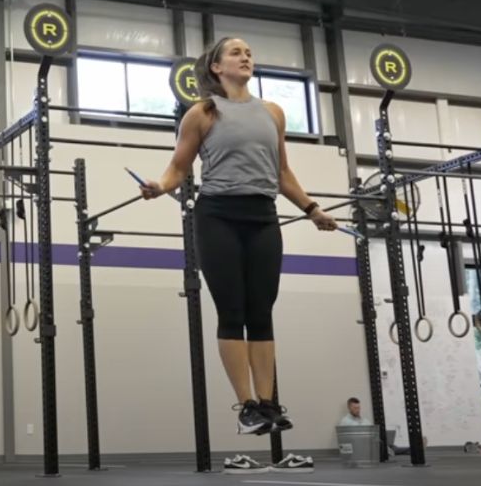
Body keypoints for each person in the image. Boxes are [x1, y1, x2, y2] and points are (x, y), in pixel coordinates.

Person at [139, 37, 338, 437]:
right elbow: (178, 168)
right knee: (232, 311)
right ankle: (247, 407)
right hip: (217, 217)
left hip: (263, 217)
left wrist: (312, 209)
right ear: (216, 67)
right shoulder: (201, 114)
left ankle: (268, 404)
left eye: (249, 51)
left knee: (261, 312)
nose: (246, 56)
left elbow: (282, 173)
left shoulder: (273, 113)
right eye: (236, 52)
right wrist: (160, 186)